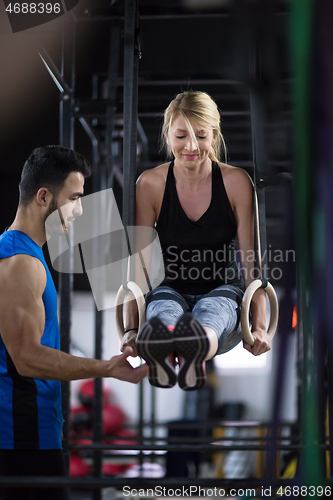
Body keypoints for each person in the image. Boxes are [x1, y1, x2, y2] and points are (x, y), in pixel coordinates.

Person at [0, 146, 147, 500]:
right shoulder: (21, 263)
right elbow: (27, 358)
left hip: (31, 434)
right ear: (44, 196)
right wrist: (106, 369)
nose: (80, 210)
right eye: (75, 198)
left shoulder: (25, 254)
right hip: (22, 438)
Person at [122, 91, 271, 391]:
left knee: (211, 313)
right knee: (162, 313)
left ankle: (196, 347)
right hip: (169, 288)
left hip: (223, 290)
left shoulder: (236, 182)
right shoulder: (150, 184)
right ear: (167, 135)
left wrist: (261, 326)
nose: (191, 146)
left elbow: (250, 264)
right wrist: (130, 329)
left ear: (214, 136)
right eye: (180, 136)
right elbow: (136, 268)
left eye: (201, 136)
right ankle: (163, 349)